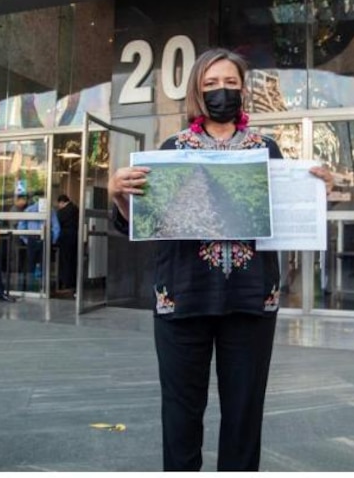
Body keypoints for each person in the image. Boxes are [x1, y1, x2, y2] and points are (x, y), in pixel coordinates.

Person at [108, 48, 333, 471]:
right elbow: (142, 226)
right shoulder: (172, 149)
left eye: (230, 83)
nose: (221, 91)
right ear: (196, 91)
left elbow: (286, 216)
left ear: (243, 90)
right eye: (210, 84)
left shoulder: (266, 150)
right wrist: (121, 198)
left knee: (244, 415)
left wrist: (320, 194)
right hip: (182, 298)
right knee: (180, 416)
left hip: (250, 299)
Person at [55, 194, 79, 295]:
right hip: (74, 237)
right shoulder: (75, 209)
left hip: (66, 238)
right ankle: (72, 283)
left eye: (59, 204)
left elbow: (57, 222)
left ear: (62, 202)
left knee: (65, 261)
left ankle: (66, 284)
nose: (58, 206)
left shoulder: (63, 211)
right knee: (72, 261)